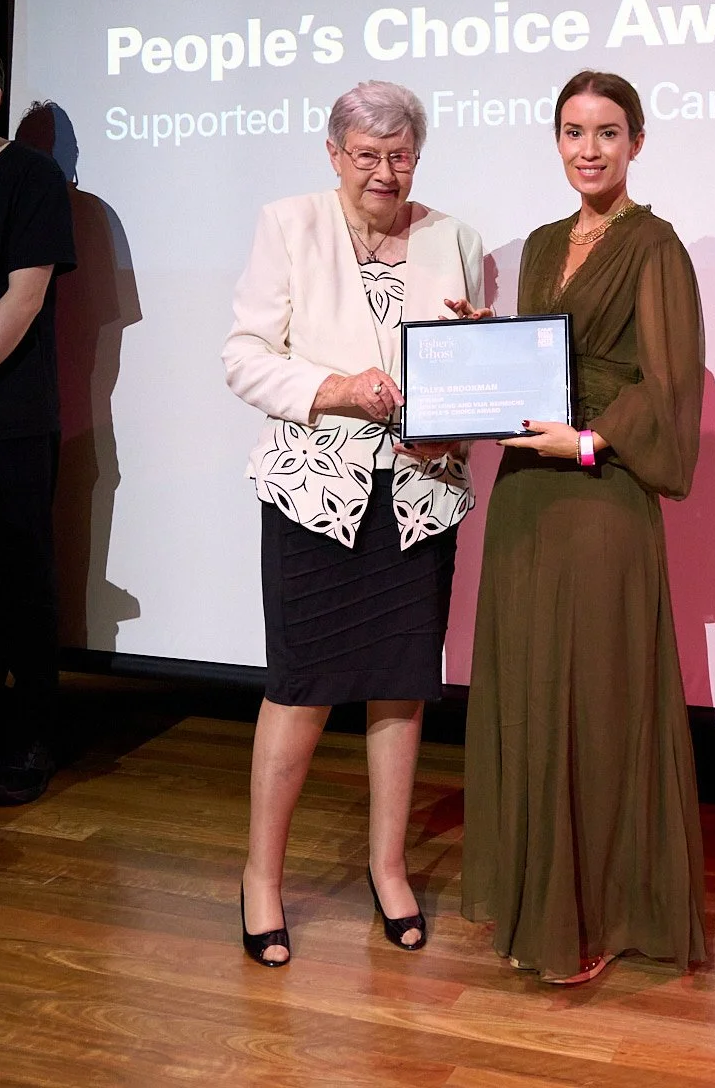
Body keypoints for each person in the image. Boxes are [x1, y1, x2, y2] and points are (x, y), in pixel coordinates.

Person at [223, 80, 484, 964]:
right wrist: (334, 390)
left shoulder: (455, 237)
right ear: (333, 155)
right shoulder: (287, 224)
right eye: (366, 155)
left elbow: (465, 371)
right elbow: (244, 358)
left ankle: (388, 867)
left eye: (400, 155)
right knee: (299, 685)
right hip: (314, 494)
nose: (385, 171)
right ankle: (262, 879)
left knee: (400, 683)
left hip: (418, 500)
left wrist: (461, 398)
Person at [460, 69, 706, 983]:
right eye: (571, 132)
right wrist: (483, 346)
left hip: (600, 491)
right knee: (531, 691)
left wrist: (592, 441)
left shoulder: (657, 247)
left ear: (636, 143)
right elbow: (537, 365)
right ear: (555, 140)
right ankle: (539, 907)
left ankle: (597, 915)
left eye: (607, 132)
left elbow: (668, 386)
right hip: (528, 491)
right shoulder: (538, 246)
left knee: (596, 704)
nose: (587, 150)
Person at [0, 54, 76, 804]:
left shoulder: (32, 177)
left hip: (10, 421)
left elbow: (20, 302)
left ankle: (29, 738)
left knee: (19, 582)